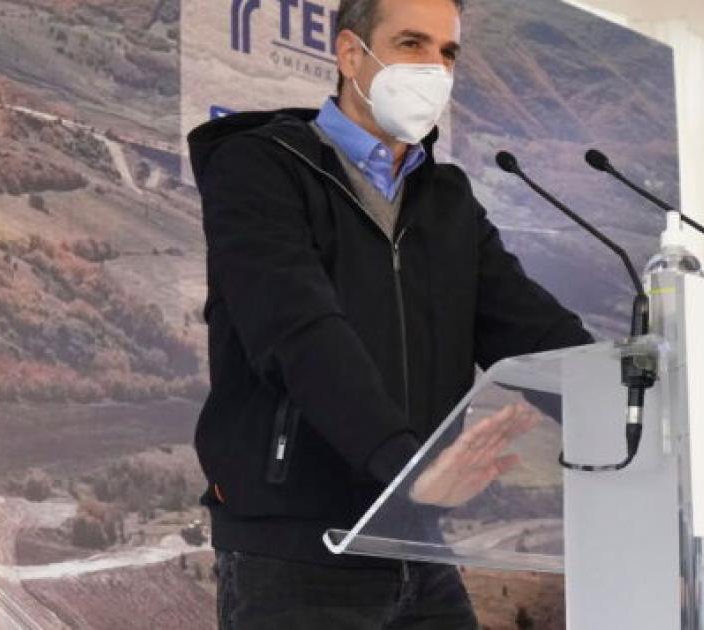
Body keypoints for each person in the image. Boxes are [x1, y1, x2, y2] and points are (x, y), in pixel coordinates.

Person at [187, 0, 592, 626]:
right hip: (296, 551)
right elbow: (299, 331)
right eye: (411, 44)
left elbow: (531, 330)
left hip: (414, 544)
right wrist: (408, 468)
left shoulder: (447, 201)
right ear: (351, 55)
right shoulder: (259, 167)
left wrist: (630, 400)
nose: (434, 68)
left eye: (447, 53)